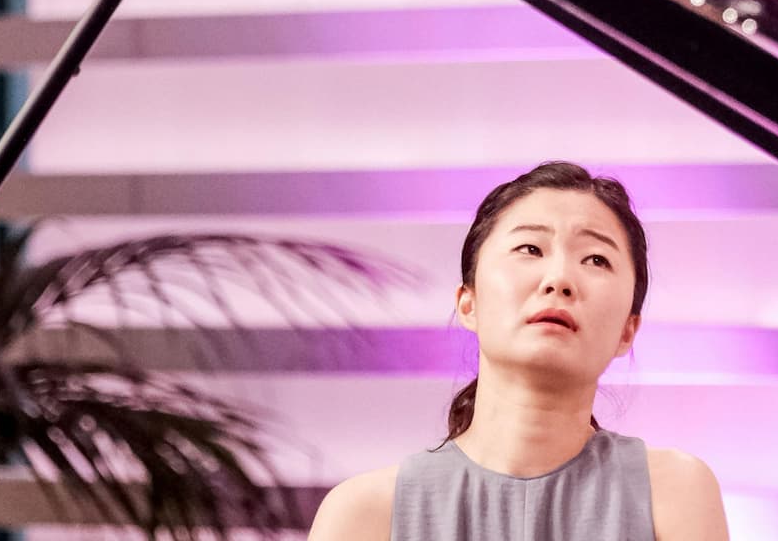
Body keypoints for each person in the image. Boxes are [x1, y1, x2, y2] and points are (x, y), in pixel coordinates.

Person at [307, 161, 731, 540]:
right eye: (530, 249)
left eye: (596, 259)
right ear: (467, 303)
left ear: (627, 330)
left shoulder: (672, 492)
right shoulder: (365, 513)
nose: (559, 279)